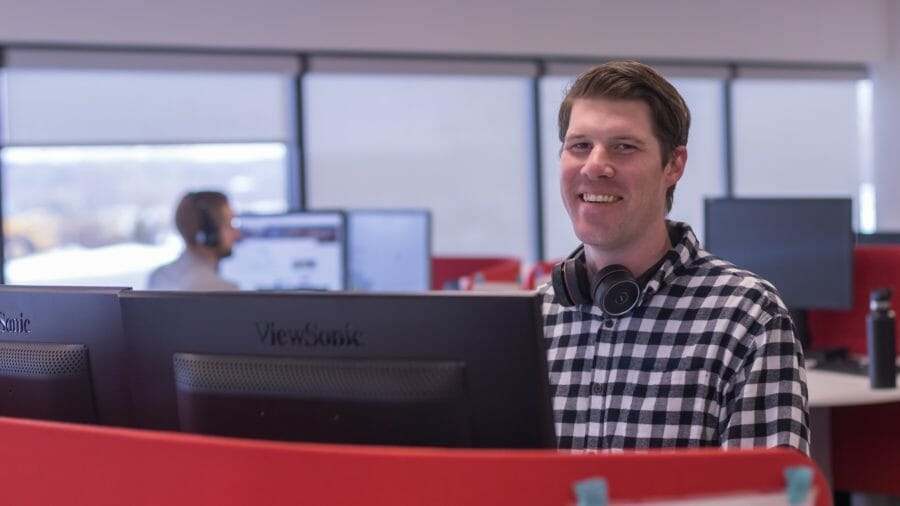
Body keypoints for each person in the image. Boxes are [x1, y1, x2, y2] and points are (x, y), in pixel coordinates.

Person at [541, 60, 809, 454]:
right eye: (580, 145)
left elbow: (768, 496)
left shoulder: (747, 318)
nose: (596, 165)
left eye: (624, 146)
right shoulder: (534, 320)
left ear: (673, 165)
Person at [147, 190, 241, 291]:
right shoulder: (224, 291)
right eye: (230, 226)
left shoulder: (159, 276)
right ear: (209, 234)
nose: (237, 235)